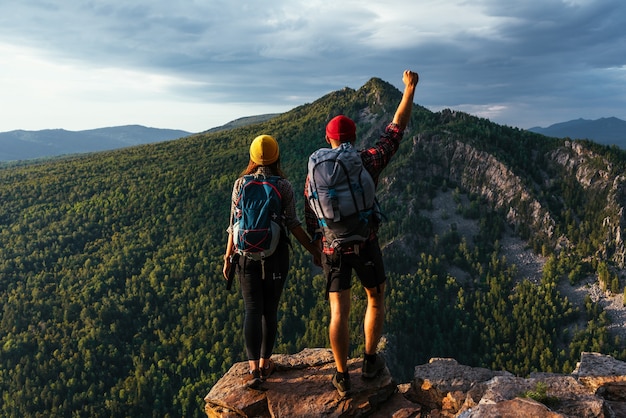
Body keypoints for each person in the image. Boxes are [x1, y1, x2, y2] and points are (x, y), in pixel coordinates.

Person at [304, 70, 419, 396]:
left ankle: (341, 376)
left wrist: (317, 245)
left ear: (328, 139)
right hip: (366, 243)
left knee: (338, 310)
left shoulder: (316, 171)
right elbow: (395, 130)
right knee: (375, 299)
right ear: (353, 137)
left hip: (332, 249)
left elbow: (311, 212)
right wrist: (409, 89)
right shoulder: (368, 160)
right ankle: (369, 362)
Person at [223, 134, 321, 389]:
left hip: (245, 256)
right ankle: (267, 364)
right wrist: (314, 249)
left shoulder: (240, 184)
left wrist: (227, 257)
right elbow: (293, 224)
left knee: (252, 310)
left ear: (252, 158)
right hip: (276, 255)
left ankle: (254, 369)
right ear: (277, 156)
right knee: (270, 311)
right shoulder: (284, 186)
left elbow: (234, 224)